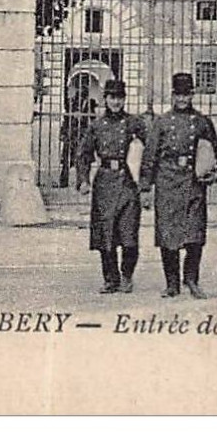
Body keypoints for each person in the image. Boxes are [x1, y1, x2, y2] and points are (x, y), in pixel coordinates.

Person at [140, 72, 217, 299]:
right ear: (172, 95)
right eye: (178, 95)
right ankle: (172, 284)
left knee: (194, 234)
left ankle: (191, 280)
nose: (182, 99)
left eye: (186, 95)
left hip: (193, 184)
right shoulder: (161, 122)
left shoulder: (201, 122)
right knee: (168, 235)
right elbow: (149, 157)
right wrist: (145, 188)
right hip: (167, 182)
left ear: (192, 95)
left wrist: (216, 173)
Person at [77, 78, 146, 293]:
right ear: (105, 99)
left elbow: (148, 152)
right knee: (105, 235)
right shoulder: (96, 126)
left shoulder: (135, 123)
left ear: (124, 99)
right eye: (112, 97)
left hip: (127, 181)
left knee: (128, 235)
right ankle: (110, 278)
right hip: (105, 182)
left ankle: (127, 275)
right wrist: (83, 180)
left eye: (120, 98)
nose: (116, 102)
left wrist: (144, 184)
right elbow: (83, 155)